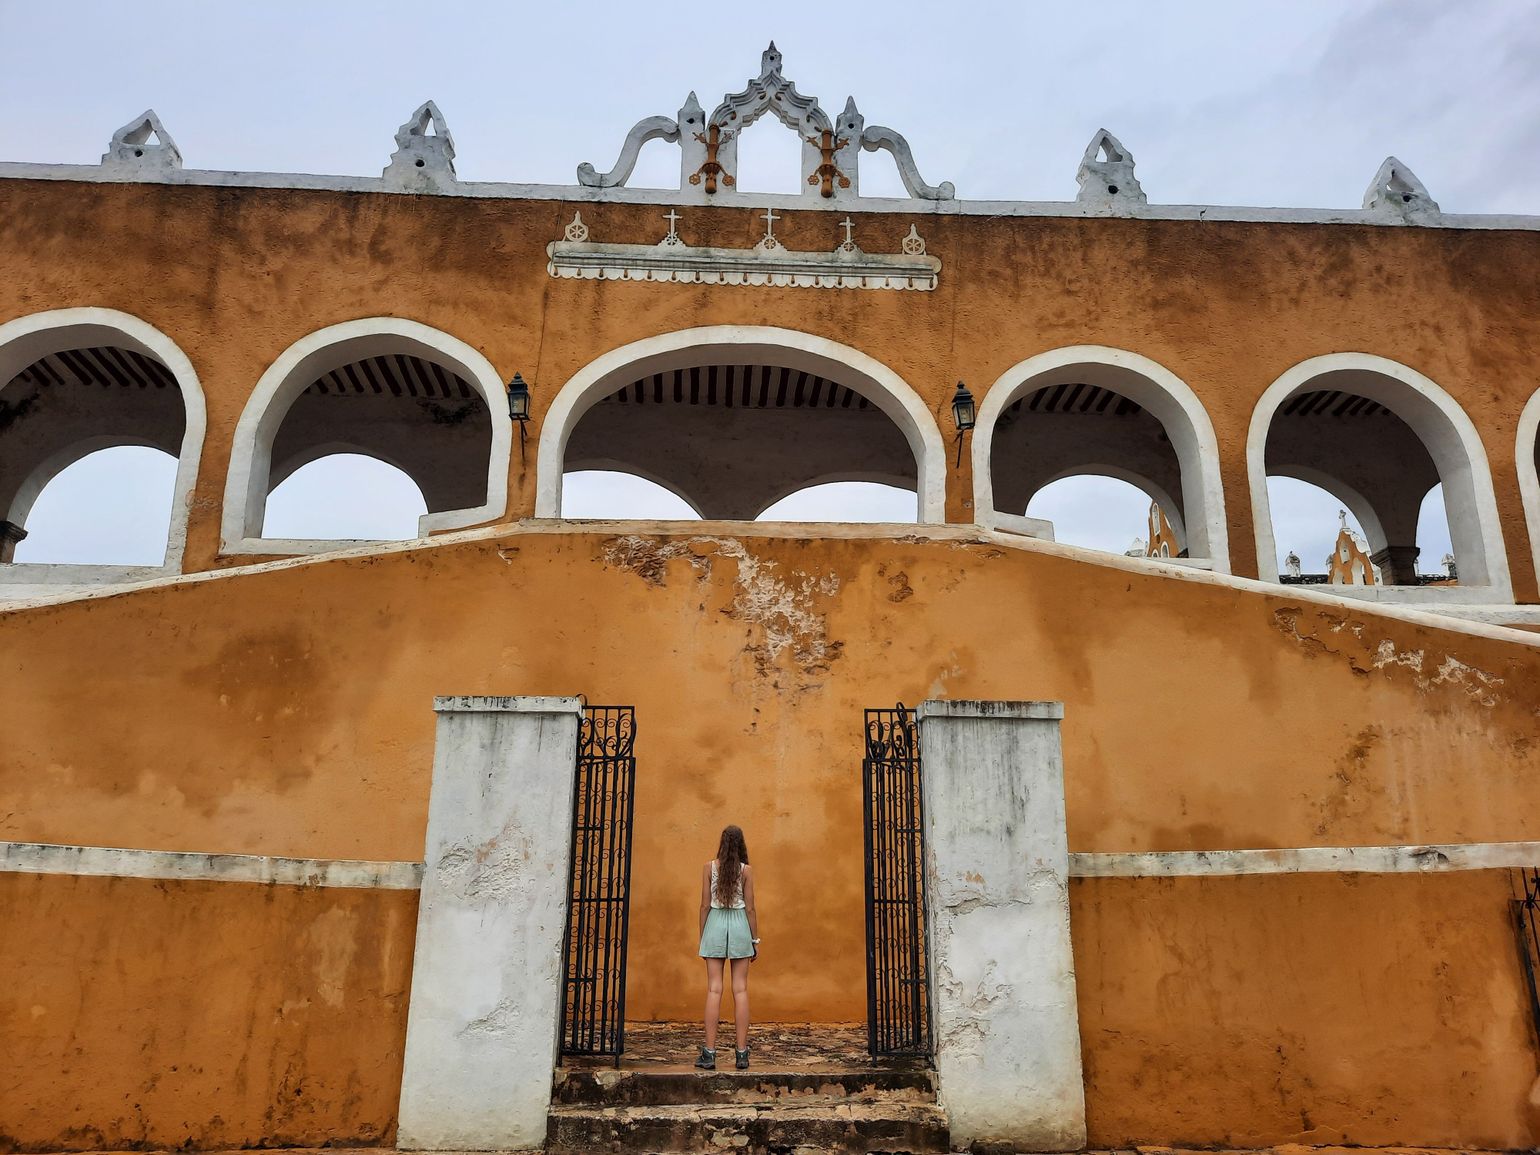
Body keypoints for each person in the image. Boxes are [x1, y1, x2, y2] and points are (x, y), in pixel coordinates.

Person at [696, 824, 759, 1070]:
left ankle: (709, 1054)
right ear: (741, 844)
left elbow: (704, 906)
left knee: (714, 989)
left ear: (722, 843)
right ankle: (741, 1054)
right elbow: (751, 908)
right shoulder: (746, 871)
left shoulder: (708, 868)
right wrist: (755, 940)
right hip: (740, 925)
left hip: (714, 925)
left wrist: (704, 936)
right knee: (740, 990)